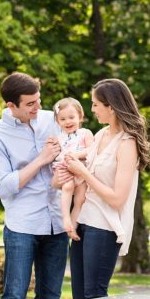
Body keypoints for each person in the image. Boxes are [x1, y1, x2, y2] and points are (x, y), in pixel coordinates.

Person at [0, 72, 68, 299]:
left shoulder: (51, 121)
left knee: (51, 298)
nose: (37, 107)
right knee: (15, 297)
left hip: (56, 222)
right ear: (11, 106)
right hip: (22, 225)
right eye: (30, 104)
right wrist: (41, 159)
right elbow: (3, 186)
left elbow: (75, 140)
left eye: (38, 100)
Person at [62, 78, 150, 299]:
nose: (92, 110)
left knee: (94, 295)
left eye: (95, 104)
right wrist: (73, 156)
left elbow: (117, 199)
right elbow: (89, 156)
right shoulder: (102, 134)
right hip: (83, 223)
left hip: (103, 227)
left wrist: (82, 173)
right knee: (79, 296)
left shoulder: (127, 144)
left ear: (110, 107)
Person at [52, 97, 95, 241]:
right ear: (57, 121)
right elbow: (55, 155)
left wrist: (76, 154)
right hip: (66, 169)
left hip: (81, 170)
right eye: (62, 119)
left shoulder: (85, 133)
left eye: (71, 117)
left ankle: (73, 227)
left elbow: (92, 150)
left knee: (80, 199)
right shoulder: (58, 137)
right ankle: (66, 219)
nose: (68, 122)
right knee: (68, 187)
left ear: (80, 117)